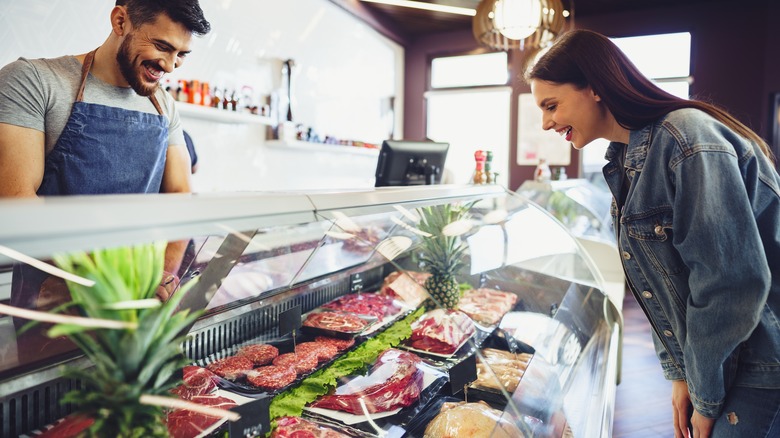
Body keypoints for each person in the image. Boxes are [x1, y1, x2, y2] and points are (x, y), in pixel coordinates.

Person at [525, 29, 780, 438]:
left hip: (757, 365)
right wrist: (682, 374)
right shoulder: (625, 159)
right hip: (722, 367)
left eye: (551, 105)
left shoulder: (685, 138)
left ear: (593, 87)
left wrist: (706, 395)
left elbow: (729, 284)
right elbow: (660, 288)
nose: (546, 122)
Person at [0, 0, 211, 309]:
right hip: (54, 305)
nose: (169, 65)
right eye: (162, 46)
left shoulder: (165, 105)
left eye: (181, 54)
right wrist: (123, 280)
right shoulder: (33, 81)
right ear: (120, 21)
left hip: (140, 303)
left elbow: (179, 195)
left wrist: (163, 274)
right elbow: (14, 199)